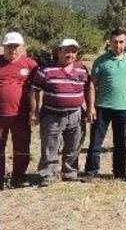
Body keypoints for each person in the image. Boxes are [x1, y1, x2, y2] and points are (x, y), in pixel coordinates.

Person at [29, 39, 88, 186]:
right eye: (66, 50)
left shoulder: (81, 69)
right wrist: (34, 112)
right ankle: (47, 174)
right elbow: (34, 90)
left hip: (75, 113)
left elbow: (89, 87)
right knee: (50, 145)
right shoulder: (46, 70)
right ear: (58, 51)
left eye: (73, 51)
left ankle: (69, 172)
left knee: (73, 145)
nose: (70, 54)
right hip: (51, 114)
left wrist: (90, 107)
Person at [83, 29, 126, 181]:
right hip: (102, 107)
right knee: (96, 142)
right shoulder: (100, 61)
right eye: (115, 41)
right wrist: (91, 107)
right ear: (110, 43)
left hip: (123, 108)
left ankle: (119, 173)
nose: (118, 45)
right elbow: (91, 86)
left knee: (120, 143)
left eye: (121, 42)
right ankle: (91, 172)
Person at [0, 31, 39, 189]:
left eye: (15, 46)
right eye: (9, 46)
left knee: (22, 148)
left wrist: (34, 112)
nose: (12, 50)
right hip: (0, 115)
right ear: (3, 47)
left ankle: (19, 177)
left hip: (21, 115)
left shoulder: (30, 65)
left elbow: (36, 90)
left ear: (22, 47)